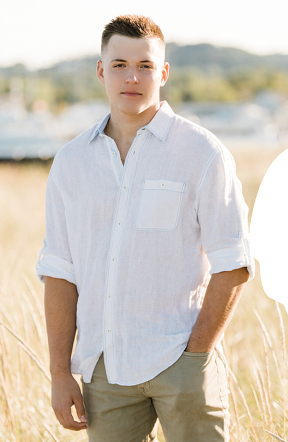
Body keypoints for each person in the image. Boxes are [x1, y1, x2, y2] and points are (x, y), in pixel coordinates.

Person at [36, 15, 254, 441]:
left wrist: (196, 356)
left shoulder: (202, 153)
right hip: (105, 370)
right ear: (101, 71)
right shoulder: (71, 162)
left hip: (182, 363)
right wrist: (60, 373)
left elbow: (234, 262)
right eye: (118, 64)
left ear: (164, 72)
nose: (132, 77)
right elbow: (60, 270)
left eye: (145, 65)